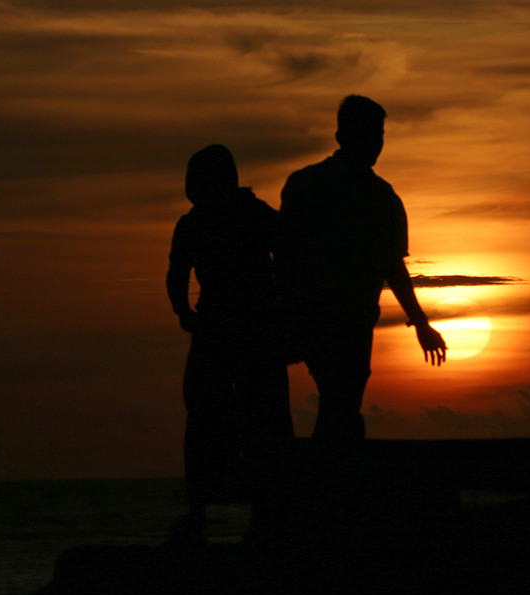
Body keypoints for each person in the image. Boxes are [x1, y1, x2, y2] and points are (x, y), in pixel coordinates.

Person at [278, 95, 446, 450]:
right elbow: (285, 253)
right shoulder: (308, 186)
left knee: (341, 407)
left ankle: (324, 485)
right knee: (340, 405)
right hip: (314, 316)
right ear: (342, 135)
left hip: (351, 321)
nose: (375, 143)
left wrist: (421, 323)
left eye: (380, 134)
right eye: (368, 133)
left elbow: (393, 267)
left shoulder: (381, 198)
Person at [166, 144, 294, 545]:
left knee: (217, 419)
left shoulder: (199, 222)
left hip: (228, 329)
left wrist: (186, 315)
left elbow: (175, 278)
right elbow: (293, 254)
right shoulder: (250, 216)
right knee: (253, 418)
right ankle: (257, 513)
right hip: (247, 329)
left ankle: (209, 512)